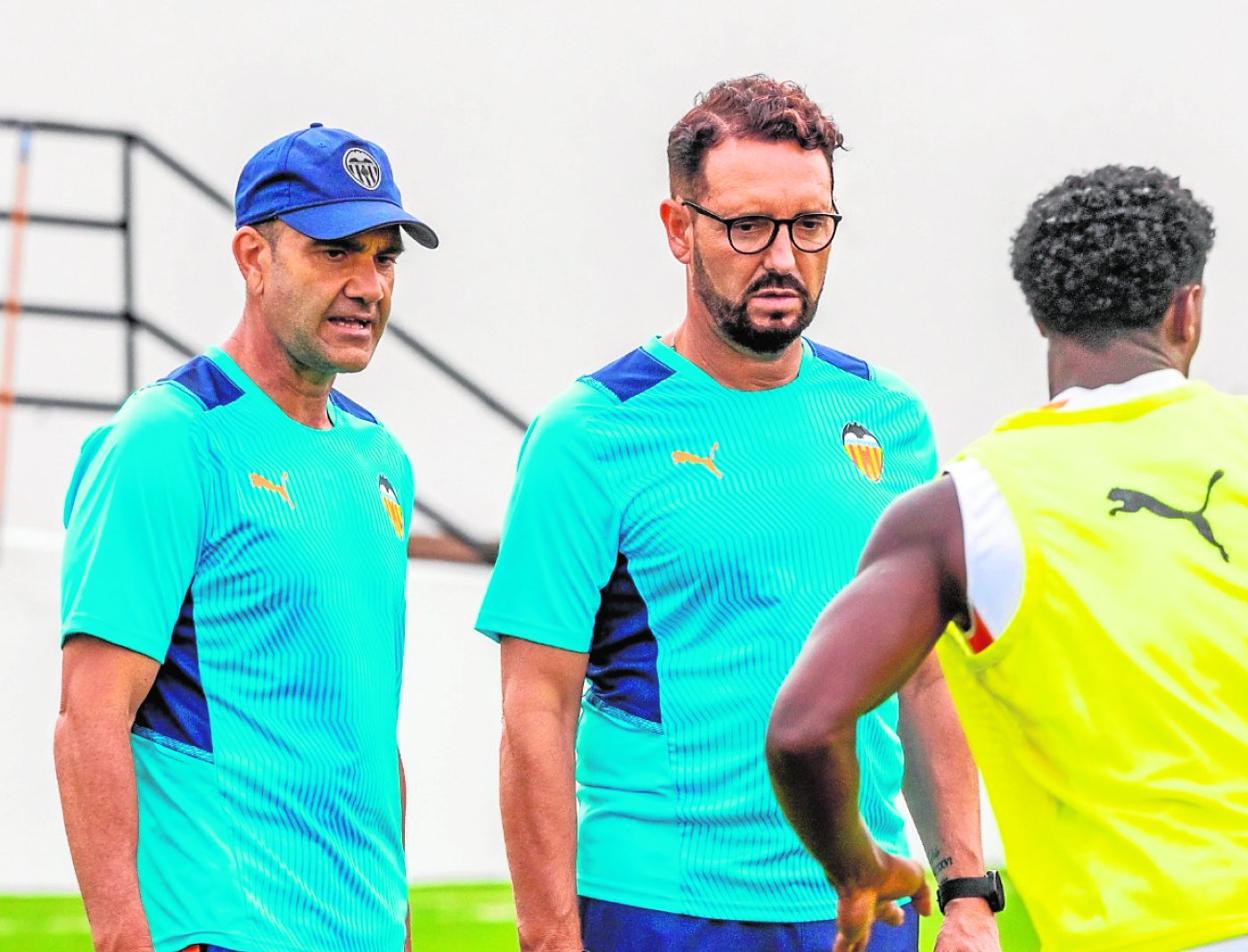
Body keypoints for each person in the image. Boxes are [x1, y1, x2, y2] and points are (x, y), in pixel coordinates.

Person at [476, 75, 1000, 952]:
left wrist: (968, 892)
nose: (784, 258)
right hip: (663, 909)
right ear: (679, 229)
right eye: (748, 226)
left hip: (869, 906)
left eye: (810, 225)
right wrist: (551, 936)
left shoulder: (892, 418)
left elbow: (924, 677)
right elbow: (537, 709)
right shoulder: (591, 432)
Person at [766, 164, 1248, 952]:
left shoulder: (960, 512)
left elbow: (803, 728)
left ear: (1040, 317)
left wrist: (858, 867)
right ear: (1186, 309)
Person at [54, 124, 437, 952]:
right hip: (224, 929)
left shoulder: (382, 460)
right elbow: (90, 715)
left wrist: (399, 925)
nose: (367, 284)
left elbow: (368, 725)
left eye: (384, 257)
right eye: (335, 251)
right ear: (253, 257)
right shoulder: (169, 438)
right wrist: (123, 939)